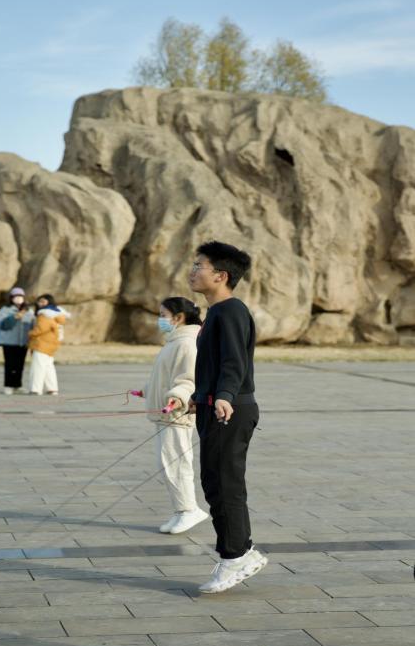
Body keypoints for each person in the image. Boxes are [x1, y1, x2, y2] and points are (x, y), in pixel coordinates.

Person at [188, 240, 268, 593]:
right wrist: (200, 396)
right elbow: (214, 363)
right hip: (215, 406)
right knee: (215, 482)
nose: (193, 271)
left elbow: (235, 361)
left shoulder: (231, 311)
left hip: (230, 409)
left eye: (199, 266)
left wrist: (223, 396)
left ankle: (235, 556)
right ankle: (242, 550)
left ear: (221, 276)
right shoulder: (216, 312)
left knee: (225, 484)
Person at [139, 297, 209, 534]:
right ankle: (181, 511)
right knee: (167, 463)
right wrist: (147, 391)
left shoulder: (187, 343)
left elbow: (189, 380)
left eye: (163, 315)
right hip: (166, 414)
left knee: (176, 463)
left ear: (178, 317)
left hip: (177, 414)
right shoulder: (174, 342)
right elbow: (164, 378)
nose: (160, 319)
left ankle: (189, 510)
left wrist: (177, 397)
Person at [0, 287, 35, 395]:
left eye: (20, 296)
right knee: (10, 365)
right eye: (16, 296)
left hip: (23, 342)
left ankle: (17, 385)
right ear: (11, 298)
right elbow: (4, 325)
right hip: (9, 342)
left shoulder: (29, 310)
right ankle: (8, 385)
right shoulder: (5, 310)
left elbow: (33, 324)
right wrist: (16, 316)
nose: (18, 298)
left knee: (20, 365)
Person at [28, 294, 67, 396]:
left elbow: (40, 329)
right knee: (49, 367)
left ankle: (36, 389)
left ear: (49, 302)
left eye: (43, 301)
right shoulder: (57, 314)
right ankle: (52, 388)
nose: (40, 303)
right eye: (39, 301)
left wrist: (29, 333)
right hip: (51, 344)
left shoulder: (45, 314)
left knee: (38, 367)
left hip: (42, 344)